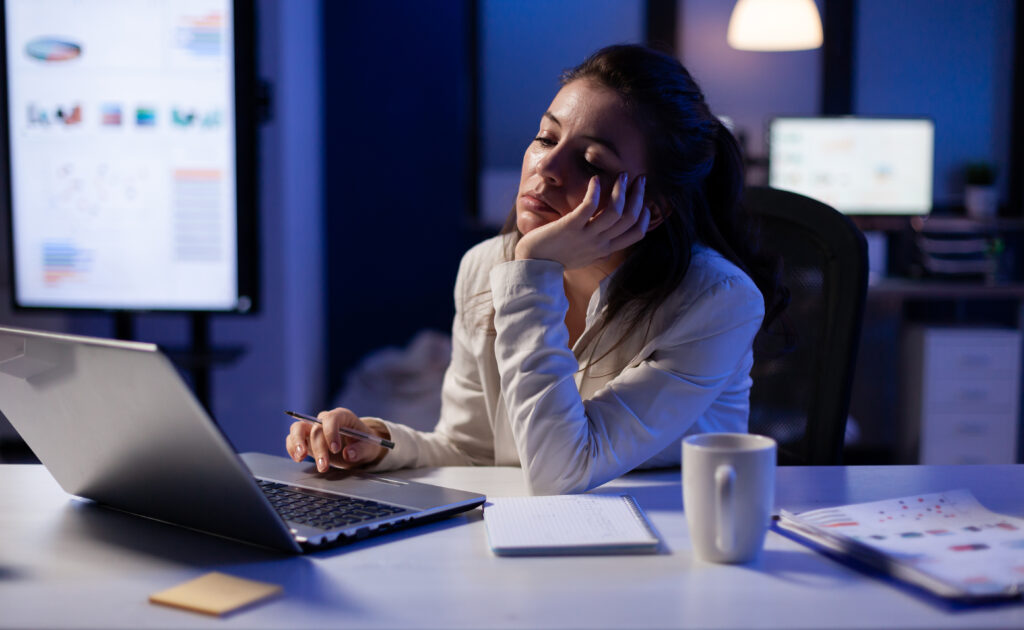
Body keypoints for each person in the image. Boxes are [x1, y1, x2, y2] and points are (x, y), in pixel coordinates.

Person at [286, 44, 786, 495]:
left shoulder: (717, 300)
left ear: (650, 210)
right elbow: (474, 451)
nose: (546, 168)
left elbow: (562, 469)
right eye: (546, 138)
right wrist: (378, 443)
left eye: (591, 162)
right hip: (536, 541)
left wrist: (534, 273)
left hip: (677, 552)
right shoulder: (485, 267)